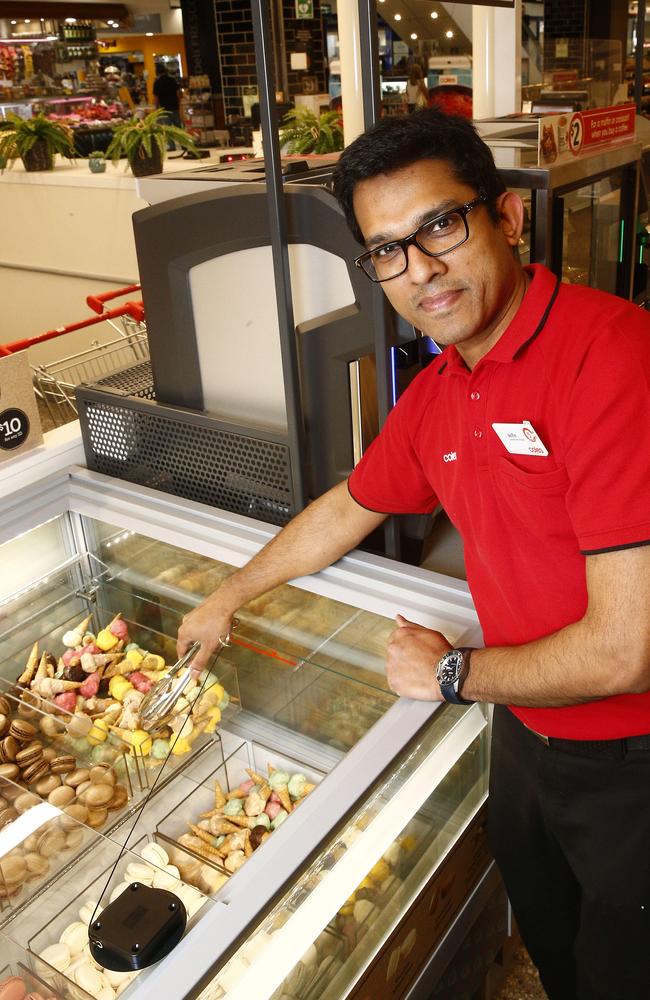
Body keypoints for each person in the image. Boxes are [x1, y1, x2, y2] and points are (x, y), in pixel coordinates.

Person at [177, 109, 650, 999]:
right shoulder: (440, 389)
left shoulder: (614, 354)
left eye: (440, 224)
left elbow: (627, 649)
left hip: (632, 758)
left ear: (506, 218)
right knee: (552, 943)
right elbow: (350, 507)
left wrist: (451, 676)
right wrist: (228, 594)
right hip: (524, 734)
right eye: (385, 249)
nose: (419, 269)